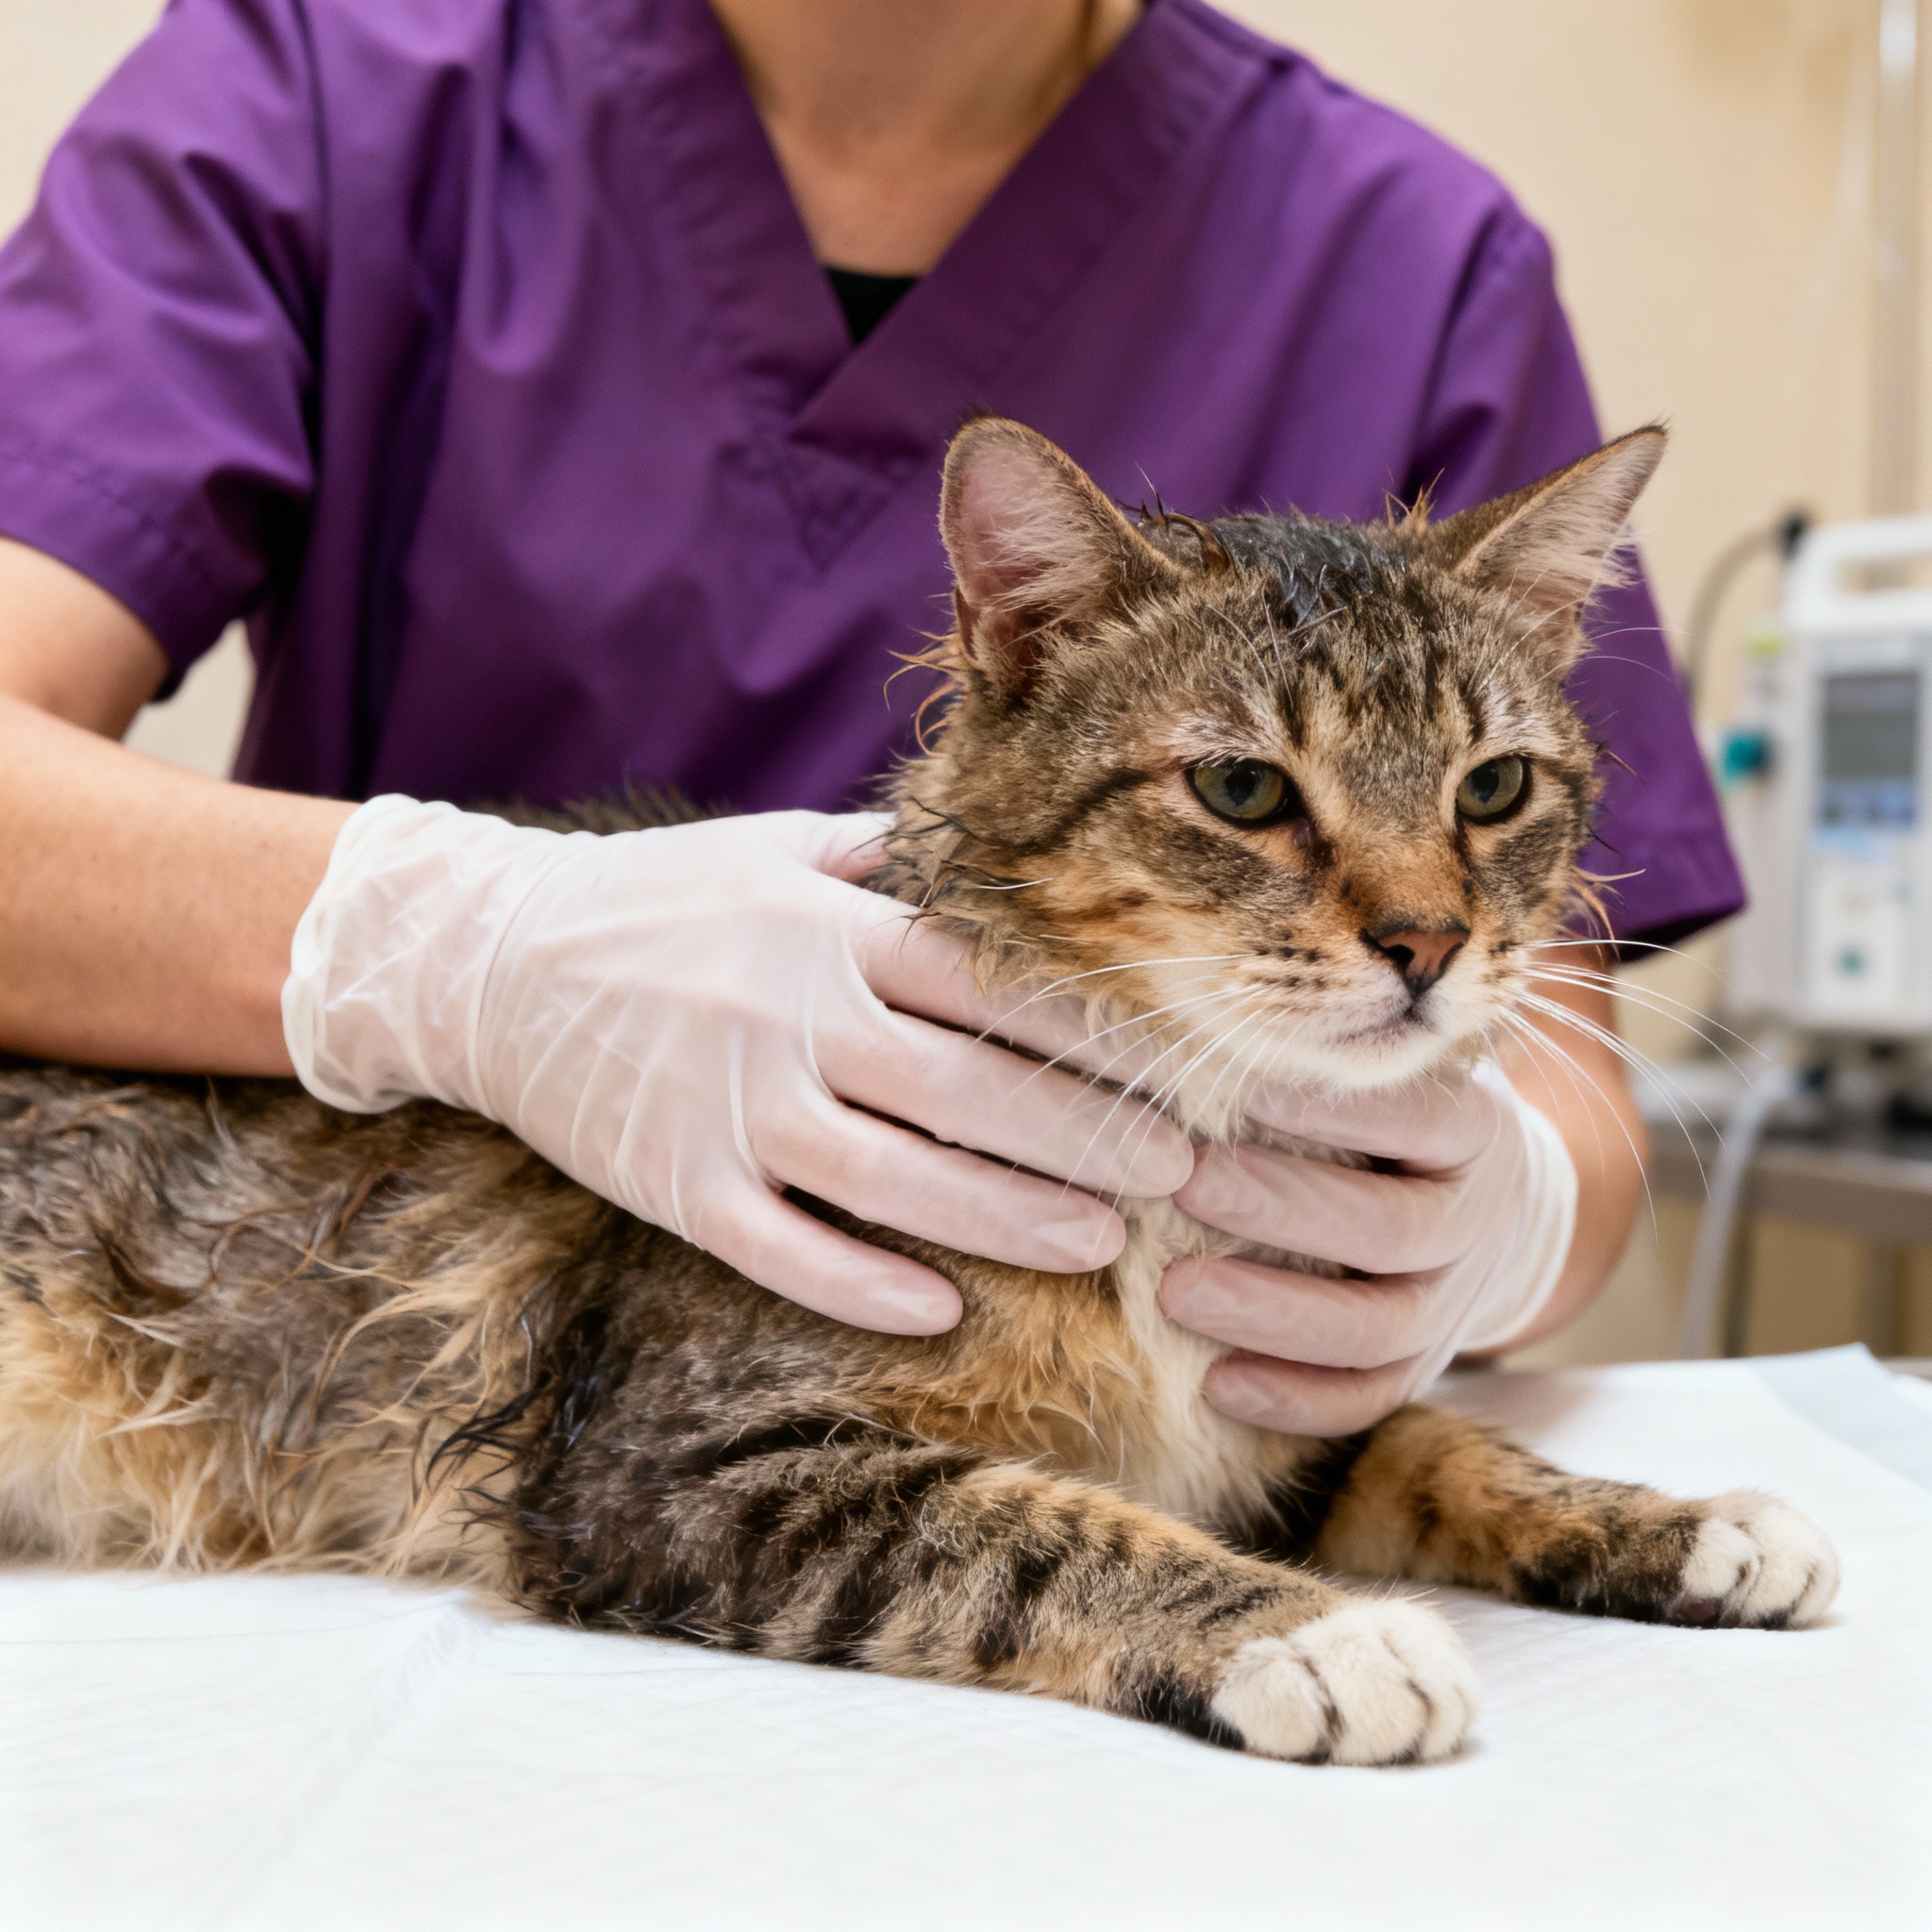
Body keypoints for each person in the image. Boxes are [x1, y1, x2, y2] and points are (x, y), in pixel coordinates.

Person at [0, 0, 1740, 1435]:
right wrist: (463, 958)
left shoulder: (1414, 260)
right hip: (349, 1358)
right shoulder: (320, 89)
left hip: (1083, 1446)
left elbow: (1566, 1094)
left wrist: (1501, 1225)